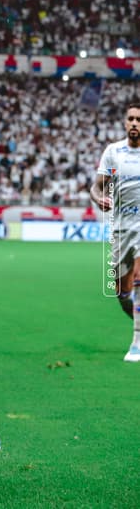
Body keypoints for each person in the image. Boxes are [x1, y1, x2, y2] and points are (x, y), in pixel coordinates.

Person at [91, 101, 140, 362]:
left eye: (139, 120)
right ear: (125, 122)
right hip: (121, 228)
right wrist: (98, 198)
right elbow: (98, 186)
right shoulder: (114, 153)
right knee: (122, 292)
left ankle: (137, 343)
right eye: (131, 118)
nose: (134, 123)